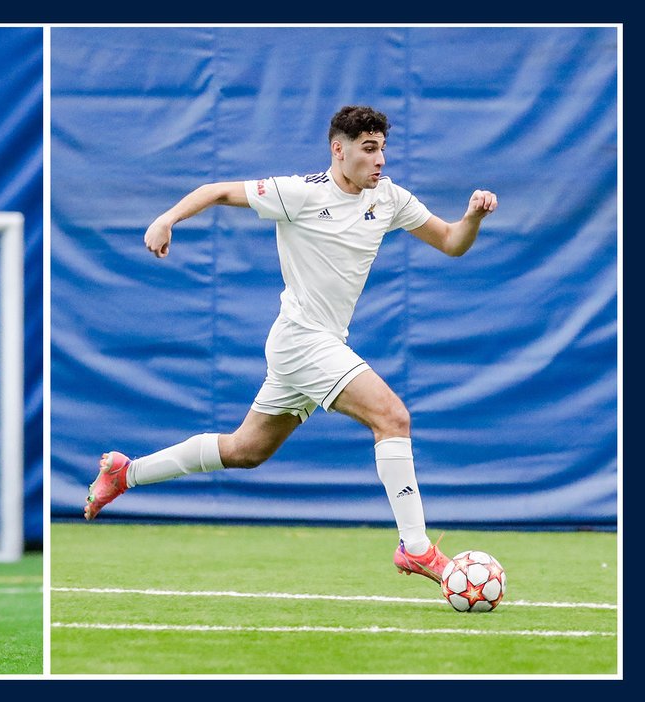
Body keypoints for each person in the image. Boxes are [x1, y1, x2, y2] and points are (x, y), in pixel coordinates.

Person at [84, 105, 498, 585]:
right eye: (368, 149)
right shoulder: (299, 192)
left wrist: (471, 218)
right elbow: (215, 190)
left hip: (315, 344)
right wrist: (167, 218)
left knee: (246, 449)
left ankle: (124, 473)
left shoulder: (390, 199)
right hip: (302, 340)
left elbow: (450, 242)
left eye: (383, 148)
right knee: (393, 417)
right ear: (338, 151)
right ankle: (417, 548)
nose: (380, 159)